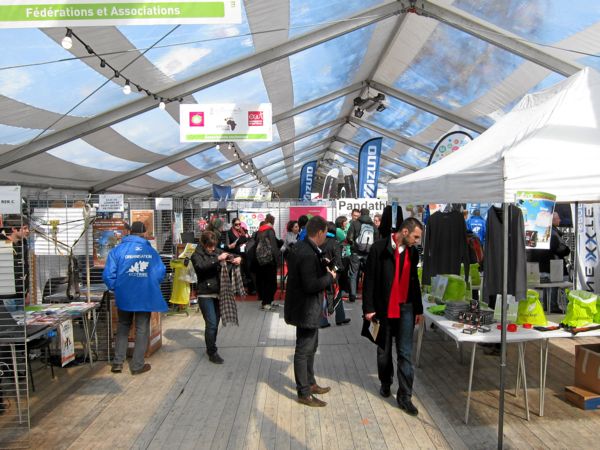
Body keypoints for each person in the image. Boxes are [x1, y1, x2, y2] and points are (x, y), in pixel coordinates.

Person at [362, 218, 423, 416]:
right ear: (405, 232)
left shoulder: (413, 252)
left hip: (406, 308)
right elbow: (369, 279)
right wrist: (368, 308)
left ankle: (405, 396)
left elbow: (414, 281)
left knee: (405, 353)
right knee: (384, 351)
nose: (417, 241)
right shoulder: (379, 248)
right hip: (383, 308)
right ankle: (385, 382)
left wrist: (419, 309)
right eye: (415, 237)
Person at [284, 216, 337, 407]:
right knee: (303, 349)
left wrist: (323, 265)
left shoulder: (305, 247)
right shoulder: (307, 252)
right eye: (326, 233)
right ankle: (304, 393)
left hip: (305, 308)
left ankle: (310, 383)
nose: (326, 237)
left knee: (311, 347)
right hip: (305, 308)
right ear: (320, 232)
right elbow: (310, 285)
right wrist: (330, 277)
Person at [103, 221, 167, 375]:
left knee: (123, 326)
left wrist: (117, 287)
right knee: (142, 329)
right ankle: (137, 365)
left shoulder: (117, 250)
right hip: (144, 294)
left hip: (124, 295)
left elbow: (108, 274)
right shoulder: (151, 252)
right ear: (144, 233)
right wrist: (150, 283)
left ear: (130, 232)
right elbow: (160, 272)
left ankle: (117, 363)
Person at [191, 230, 241, 364]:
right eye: (210, 246)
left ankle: (211, 346)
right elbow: (200, 267)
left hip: (218, 292)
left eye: (214, 246)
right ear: (204, 244)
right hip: (204, 293)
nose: (212, 249)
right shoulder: (196, 254)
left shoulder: (217, 251)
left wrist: (237, 259)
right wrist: (217, 259)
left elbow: (232, 255)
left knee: (215, 323)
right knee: (212, 323)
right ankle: (212, 351)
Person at [319, 221, 350, 328]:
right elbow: (338, 263)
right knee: (336, 293)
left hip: (321, 272)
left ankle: (323, 320)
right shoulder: (335, 243)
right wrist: (335, 270)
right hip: (333, 273)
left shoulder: (319, 242)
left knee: (324, 295)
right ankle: (339, 318)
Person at [346, 208, 379, 302]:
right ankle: (368, 294)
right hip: (368, 254)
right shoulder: (373, 225)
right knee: (369, 274)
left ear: (361, 214)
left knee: (353, 273)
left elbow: (349, 238)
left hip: (356, 253)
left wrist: (354, 245)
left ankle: (352, 295)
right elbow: (377, 240)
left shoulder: (355, 223)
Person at [252, 214, 282, 311]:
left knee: (265, 282)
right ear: (272, 222)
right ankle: (267, 303)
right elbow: (274, 247)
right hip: (269, 260)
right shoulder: (270, 231)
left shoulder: (260, 231)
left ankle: (267, 301)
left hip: (260, 260)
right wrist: (278, 261)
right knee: (272, 283)